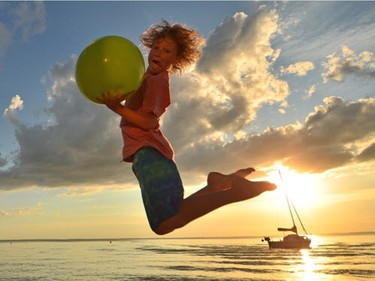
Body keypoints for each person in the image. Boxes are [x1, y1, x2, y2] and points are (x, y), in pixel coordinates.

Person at [98, 20, 276, 235]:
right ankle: (218, 184)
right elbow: (136, 102)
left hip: (150, 157)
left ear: (175, 59)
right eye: (156, 48)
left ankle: (234, 192)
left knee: (165, 223)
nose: (158, 53)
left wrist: (116, 107)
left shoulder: (158, 82)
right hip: (149, 157)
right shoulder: (145, 78)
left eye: (166, 51)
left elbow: (148, 122)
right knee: (175, 212)